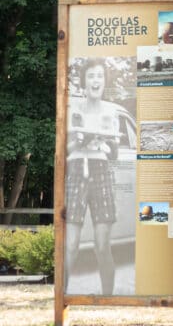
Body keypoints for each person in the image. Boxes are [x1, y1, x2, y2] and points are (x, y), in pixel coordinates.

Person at [65, 58, 121, 295]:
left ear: (104, 80)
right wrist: (79, 140)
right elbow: (65, 148)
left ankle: (108, 296)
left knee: (101, 244)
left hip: (101, 170)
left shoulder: (111, 110)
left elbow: (115, 153)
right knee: (70, 244)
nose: (95, 81)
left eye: (99, 76)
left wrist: (109, 142)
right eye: (91, 76)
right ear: (84, 82)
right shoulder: (72, 110)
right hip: (77, 168)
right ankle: (63, 294)